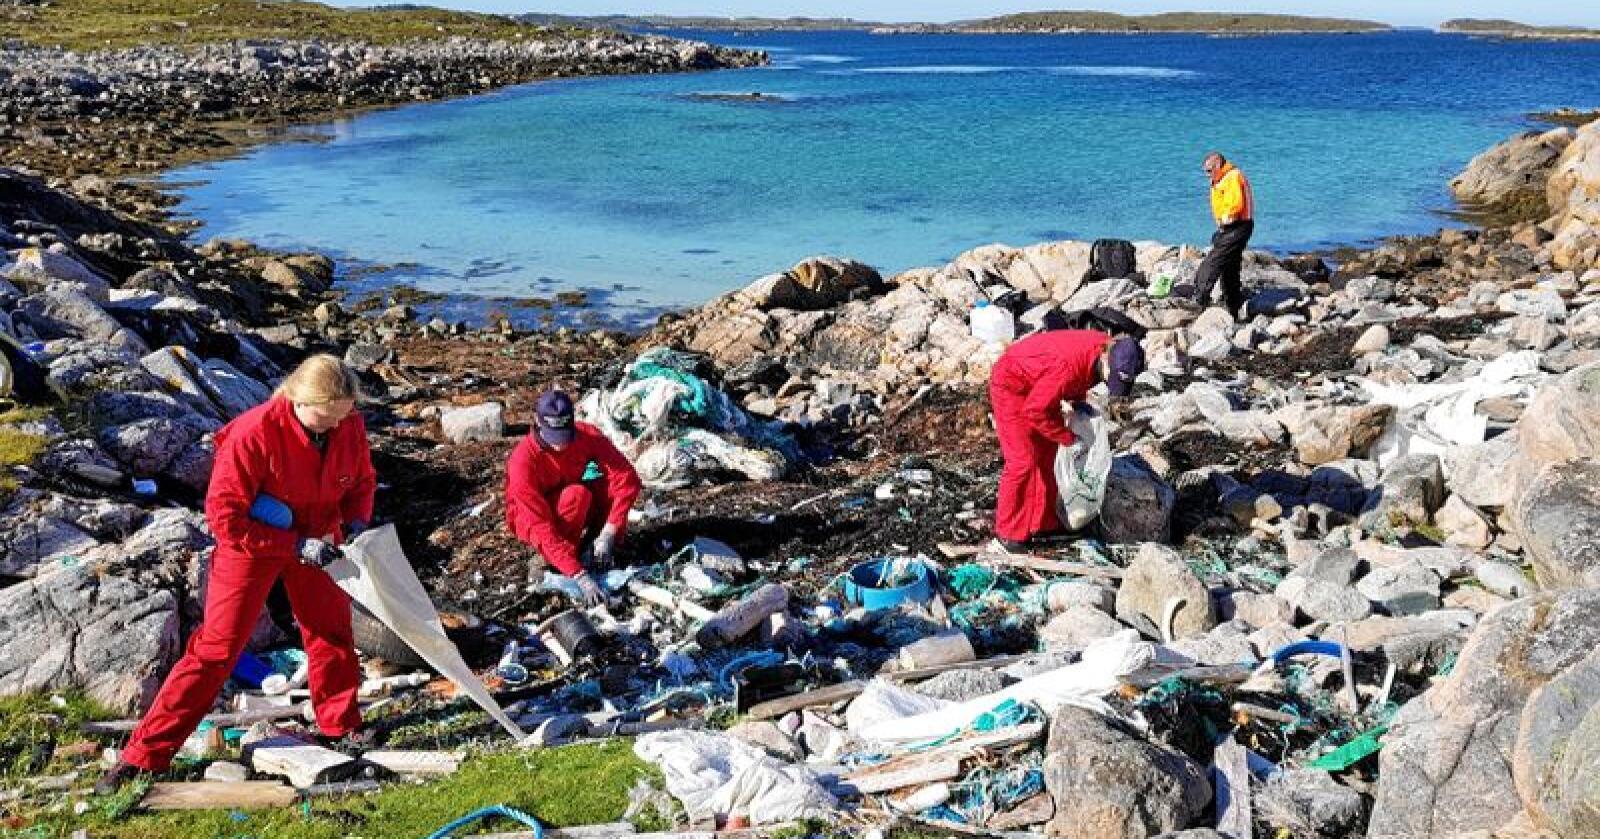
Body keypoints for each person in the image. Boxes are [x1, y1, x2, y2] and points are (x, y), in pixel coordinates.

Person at [97, 355, 376, 794]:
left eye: (341, 419)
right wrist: (294, 545)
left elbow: (361, 482)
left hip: (320, 536)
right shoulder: (253, 433)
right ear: (298, 401)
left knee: (331, 632)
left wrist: (356, 521)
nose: (332, 428)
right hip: (254, 543)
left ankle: (339, 726)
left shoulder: (348, 425)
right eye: (324, 419)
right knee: (216, 649)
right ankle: (143, 755)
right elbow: (224, 517)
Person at [988, 330, 1145, 551]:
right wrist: (1068, 438)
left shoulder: (1106, 349)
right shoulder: (1069, 367)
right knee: (1022, 461)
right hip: (1011, 385)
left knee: (1048, 456)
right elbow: (1035, 410)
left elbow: (1076, 380)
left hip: (1041, 385)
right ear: (1105, 357)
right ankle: (1008, 533)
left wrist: (1078, 406)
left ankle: (1043, 523)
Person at [505, 389, 642, 608]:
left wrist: (609, 530)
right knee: (577, 496)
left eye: (564, 436)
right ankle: (561, 559)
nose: (560, 445)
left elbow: (627, 478)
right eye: (554, 437)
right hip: (531, 516)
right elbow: (539, 525)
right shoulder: (522, 462)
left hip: (571, 495)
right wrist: (580, 577)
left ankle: (596, 548)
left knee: (601, 484)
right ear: (537, 423)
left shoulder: (586, 435)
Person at [1178, 151, 1255, 320]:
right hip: (1229, 228)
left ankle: (1199, 299)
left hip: (1238, 226)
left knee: (1214, 260)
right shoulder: (1219, 179)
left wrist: (1228, 216)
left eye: (1209, 170)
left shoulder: (1232, 176)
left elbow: (1236, 202)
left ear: (1218, 165)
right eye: (1205, 171)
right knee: (1230, 266)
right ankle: (1233, 306)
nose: (1206, 175)